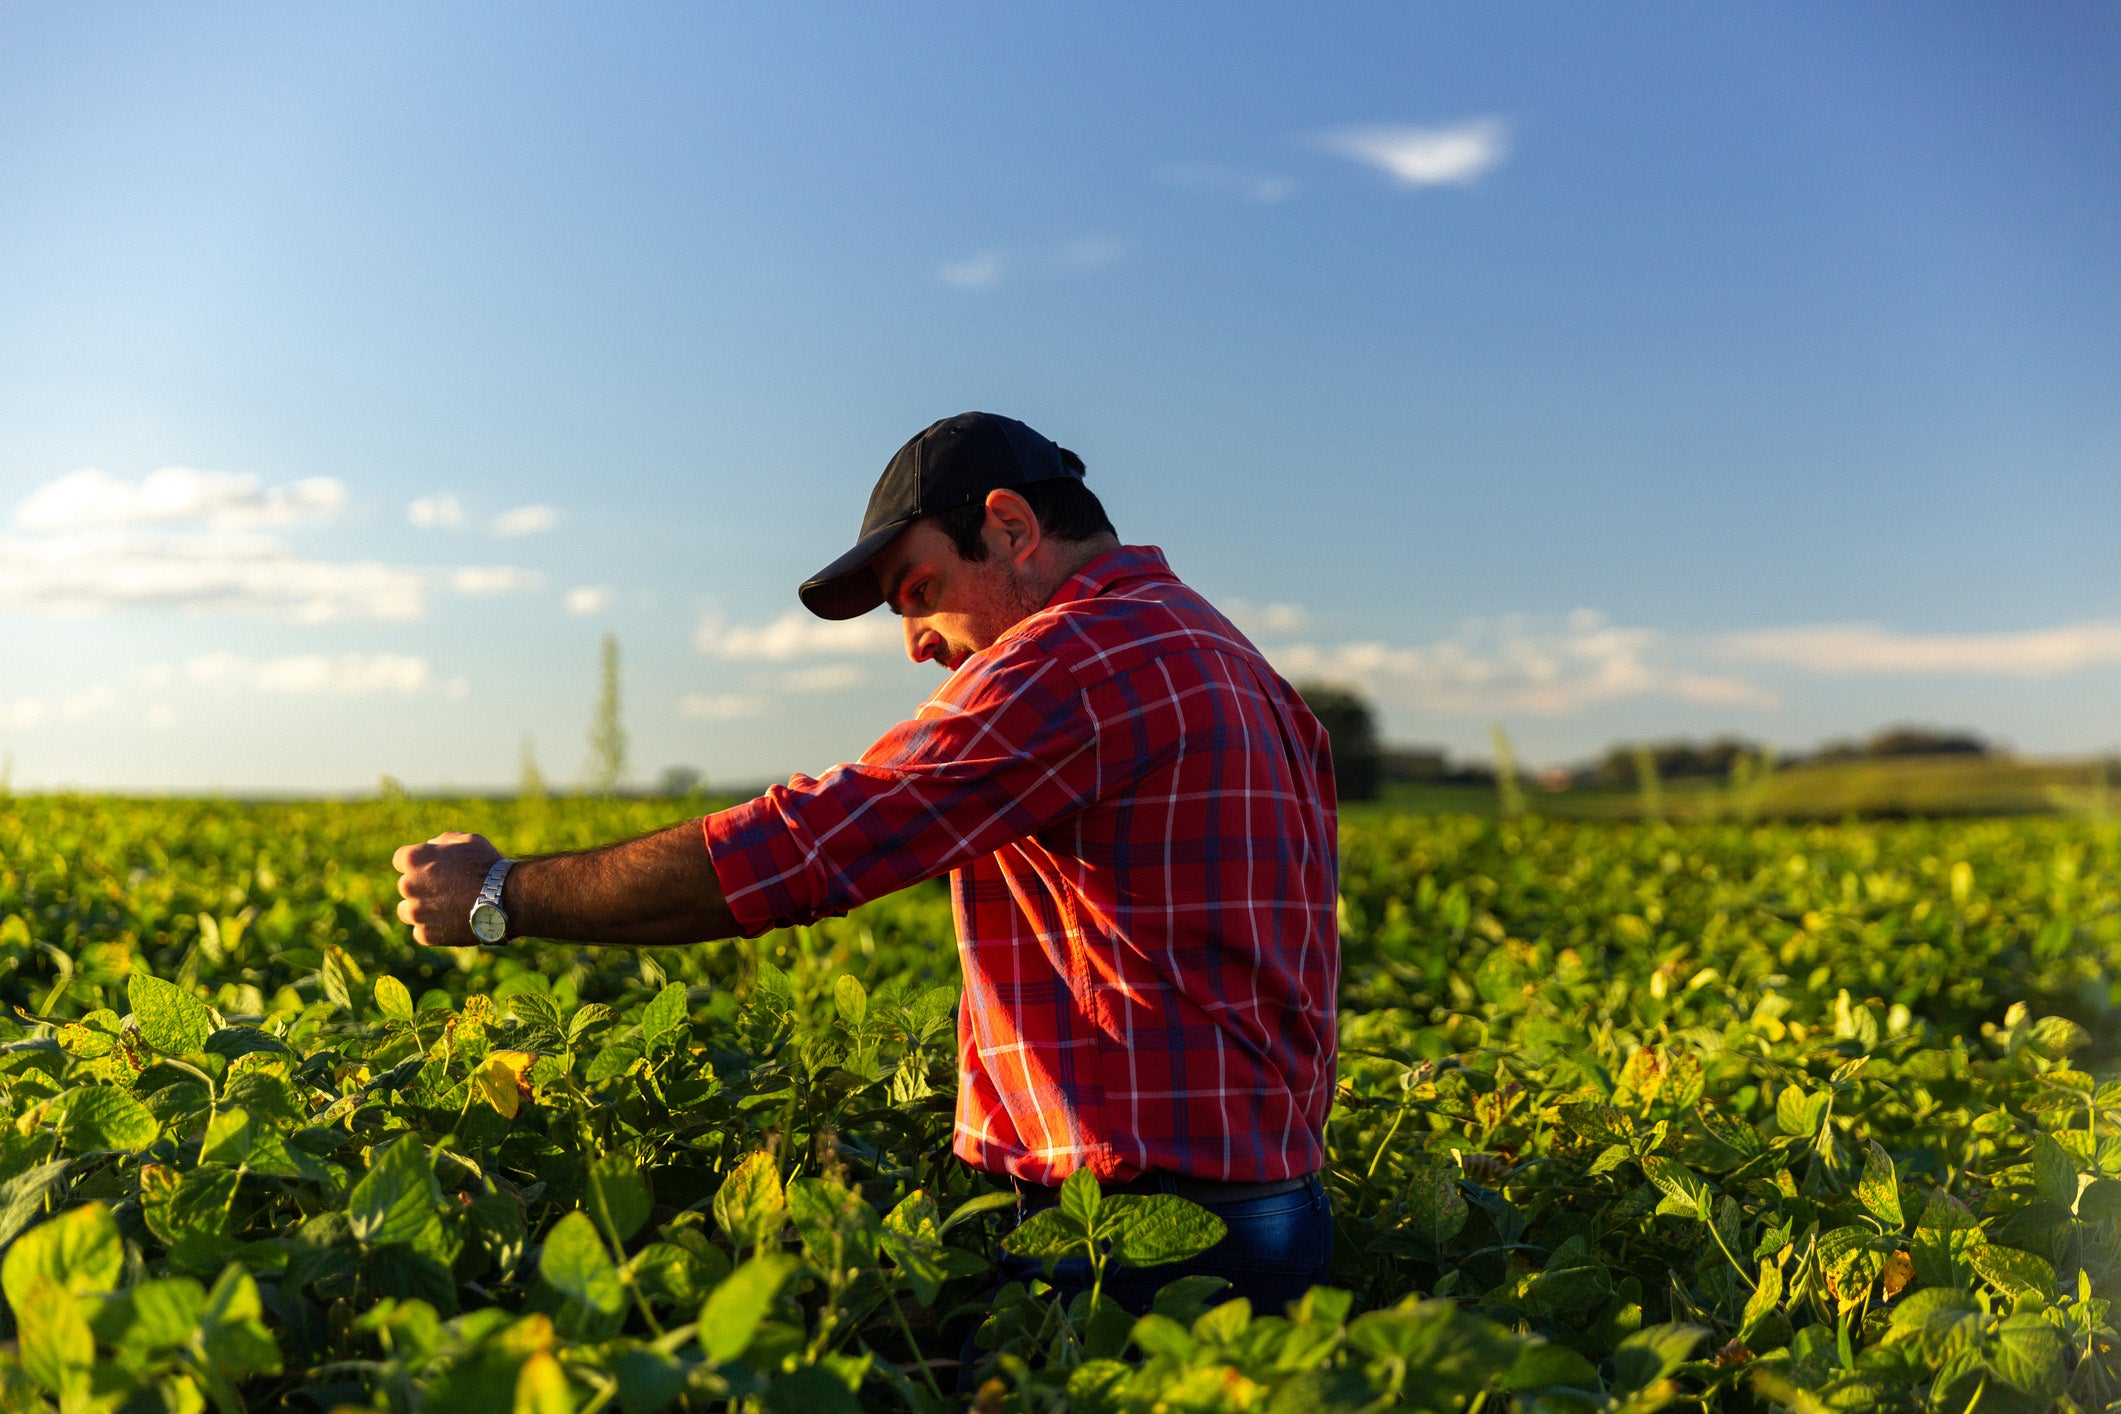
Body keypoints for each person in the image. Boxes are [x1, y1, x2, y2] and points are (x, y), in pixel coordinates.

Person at [391, 411, 1341, 1326]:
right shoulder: (1228, 655)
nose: (915, 642)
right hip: (1271, 1197)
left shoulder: (1081, 657)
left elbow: (810, 846)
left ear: (1010, 527)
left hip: (1144, 1225)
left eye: (918, 590)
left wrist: (498, 895)